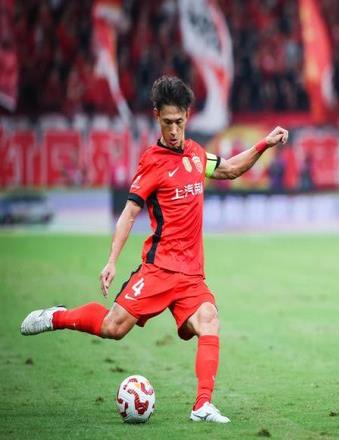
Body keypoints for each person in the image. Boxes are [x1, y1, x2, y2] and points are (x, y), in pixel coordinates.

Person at [20, 75, 289, 424]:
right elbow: (130, 213)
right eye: (167, 123)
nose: (174, 130)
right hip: (159, 268)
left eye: (179, 122)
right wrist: (112, 261)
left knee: (209, 320)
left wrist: (264, 144)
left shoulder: (197, 155)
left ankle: (202, 405)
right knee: (113, 328)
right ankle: (57, 316)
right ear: (156, 117)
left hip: (191, 275)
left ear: (187, 116)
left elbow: (231, 169)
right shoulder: (152, 162)